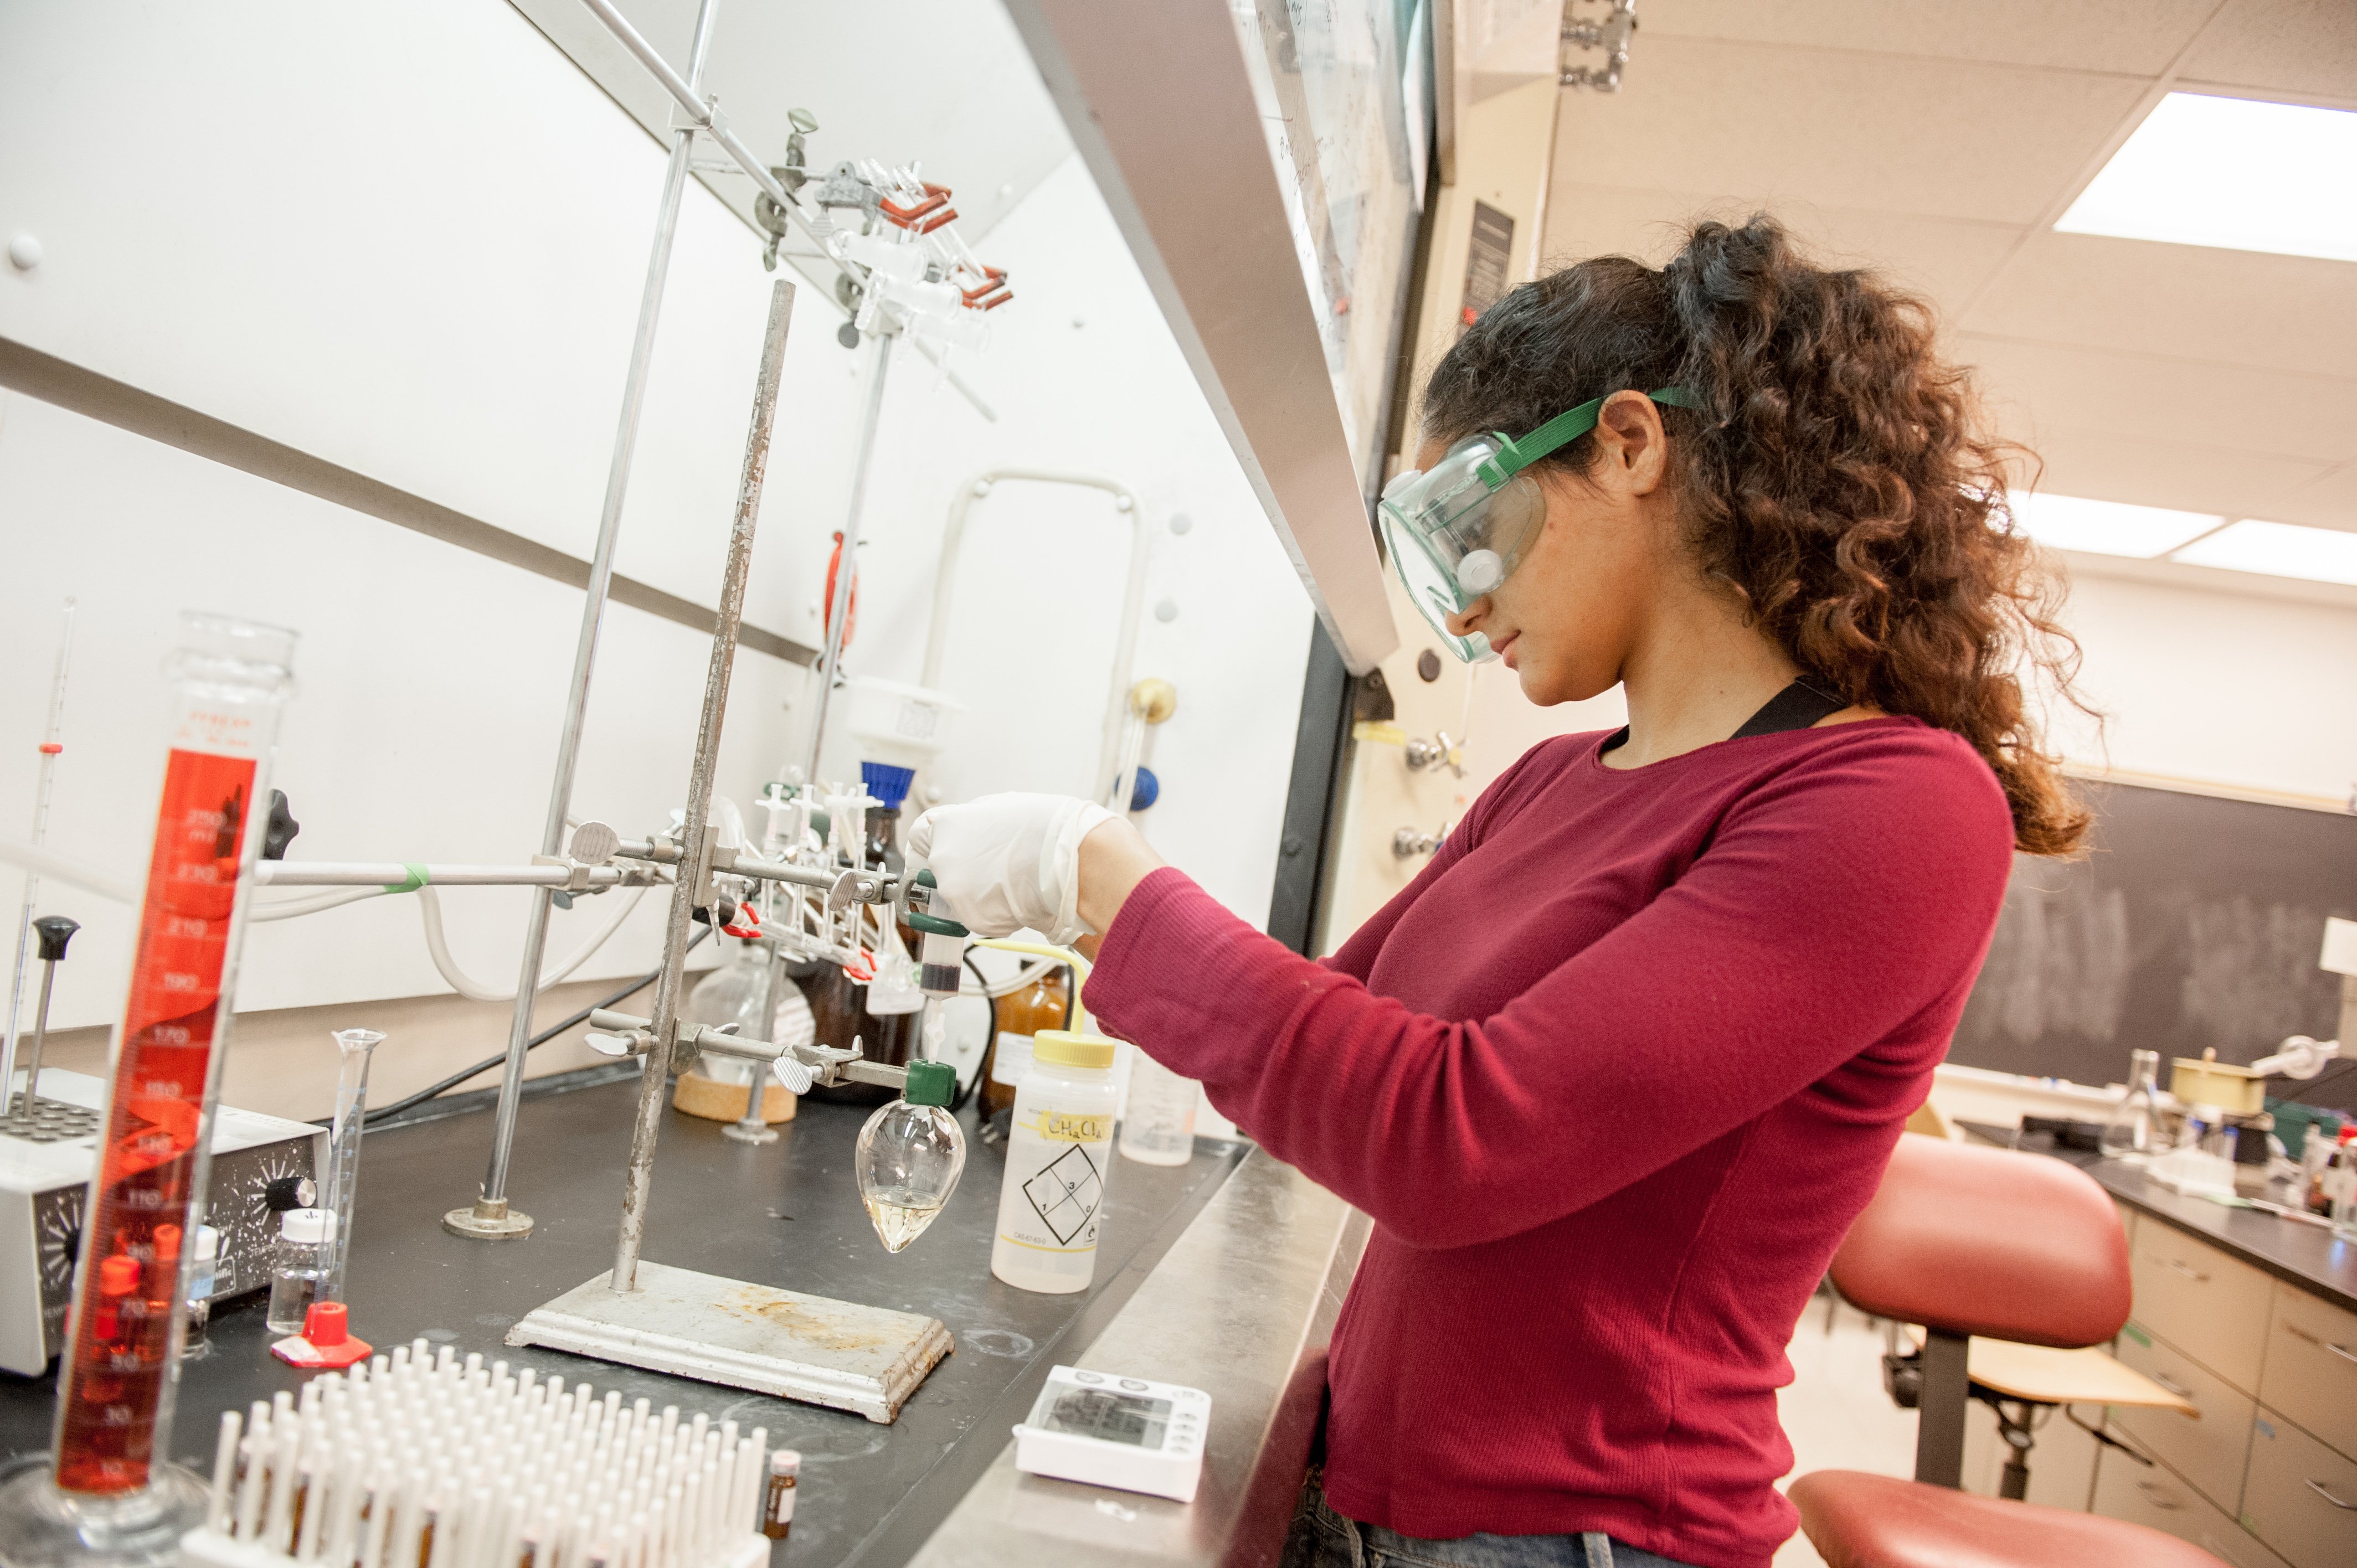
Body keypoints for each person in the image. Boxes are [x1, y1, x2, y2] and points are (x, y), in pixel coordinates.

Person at [908, 216, 2088, 1568]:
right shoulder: (1549, 785)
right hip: (1363, 1495)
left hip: (1575, 1539)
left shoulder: (1890, 807)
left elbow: (1447, 1139)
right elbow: (1330, 1046)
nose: (1457, 605)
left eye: (1465, 523)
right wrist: (1026, 961)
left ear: (1631, 444)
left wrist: (1097, 871)